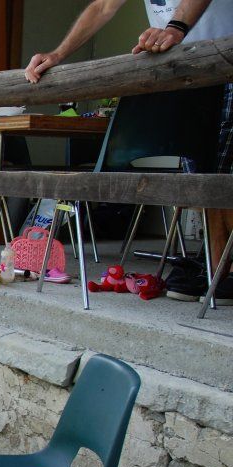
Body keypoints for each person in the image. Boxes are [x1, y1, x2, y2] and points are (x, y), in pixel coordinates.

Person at [25, 0, 233, 298]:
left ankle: (224, 271)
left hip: (225, 60)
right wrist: (58, 54)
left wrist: (174, 28)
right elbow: (103, 6)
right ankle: (216, 270)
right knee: (204, 176)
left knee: (225, 174)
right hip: (188, 72)